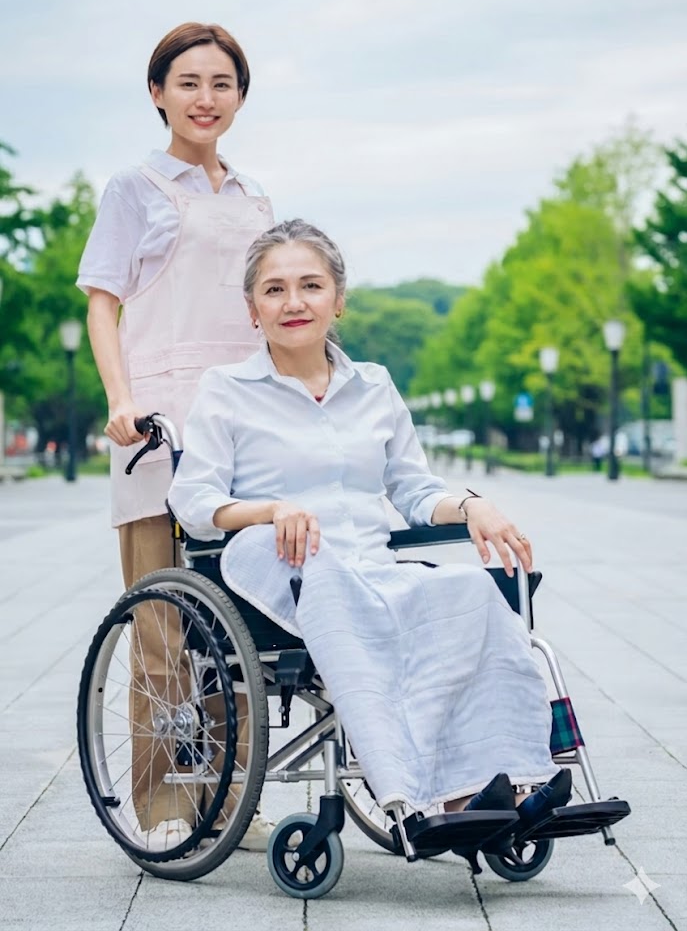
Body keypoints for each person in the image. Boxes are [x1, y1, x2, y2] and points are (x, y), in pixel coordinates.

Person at [168, 219, 573, 836]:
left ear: (338, 300)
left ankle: (500, 783)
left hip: (369, 565)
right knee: (336, 585)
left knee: (468, 590)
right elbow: (194, 500)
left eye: (311, 285)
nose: (294, 302)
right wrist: (271, 508)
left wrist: (471, 507)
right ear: (252, 309)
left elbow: (412, 488)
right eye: (274, 290)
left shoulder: (374, 385)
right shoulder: (227, 390)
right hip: (277, 564)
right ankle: (417, 799)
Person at [76, 22, 275, 851]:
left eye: (221, 83)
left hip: (240, 421)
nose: (205, 98)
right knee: (162, 622)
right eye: (187, 82)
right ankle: (163, 807)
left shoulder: (254, 199)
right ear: (157, 93)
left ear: (239, 96)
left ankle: (230, 800)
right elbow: (102, 301)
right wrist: (120, 402)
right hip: (157, 422)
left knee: (242, 626)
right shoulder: (135, 188)